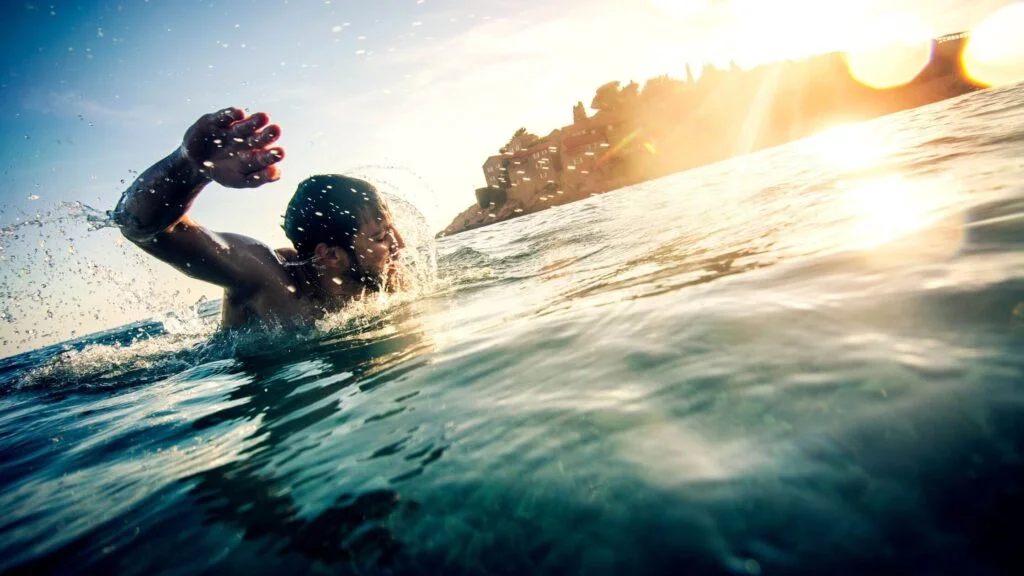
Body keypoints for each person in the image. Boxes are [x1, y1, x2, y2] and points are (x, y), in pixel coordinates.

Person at [113, 107, 407, 329]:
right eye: (381, 237)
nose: (400, 244)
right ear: (330, 255)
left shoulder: (382, 282)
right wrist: (189, 167)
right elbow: (142, 228)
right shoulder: (268, 278)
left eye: (391, 230)